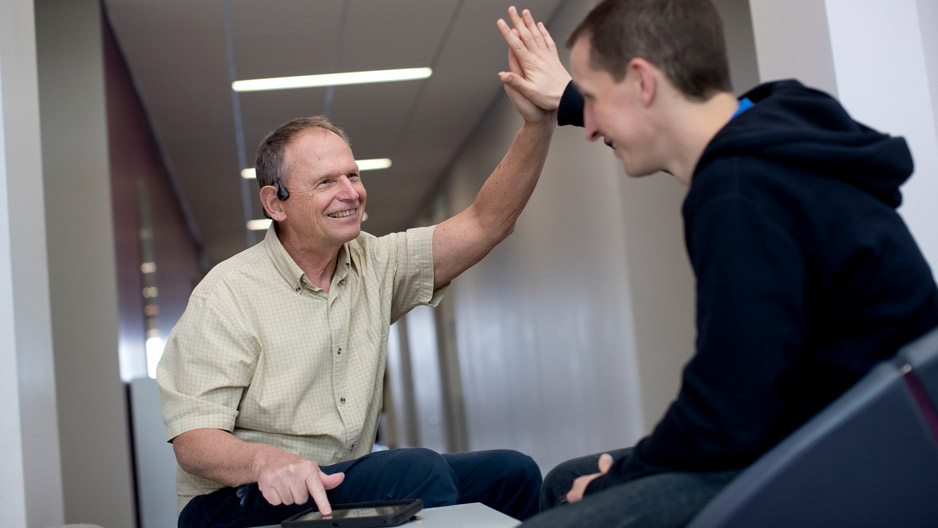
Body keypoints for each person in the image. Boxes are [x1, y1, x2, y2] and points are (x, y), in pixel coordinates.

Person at [496, 1, 938, 526]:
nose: (590, 127)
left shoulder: (737, 191)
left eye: (593, 99)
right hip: (850, 424)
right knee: (565, 481)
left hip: (853, 456)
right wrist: (572, 98)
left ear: (643, 82)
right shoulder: (777, 130)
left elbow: (726, 414)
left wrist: (617, 480)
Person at [157, 71, 556, 526]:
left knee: (512, 473)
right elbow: (194, 441)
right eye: (326, 182)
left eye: (352, 175)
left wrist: (537, 124)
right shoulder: (226, 294)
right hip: (235, 500)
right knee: (416, 471)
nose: (351, 193)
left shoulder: (375, 262)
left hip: (336, 481)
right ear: (275, 203)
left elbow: (486, 223)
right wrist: (266, 462)